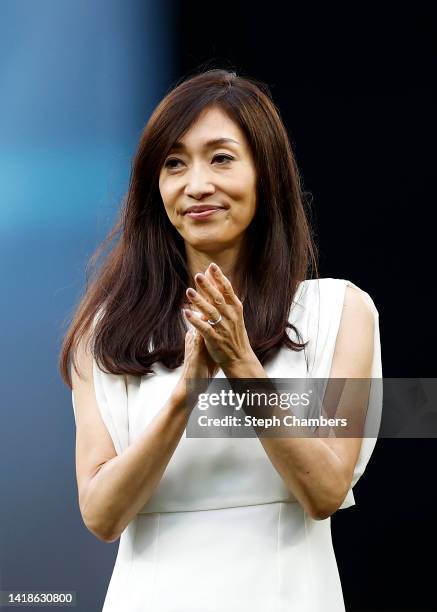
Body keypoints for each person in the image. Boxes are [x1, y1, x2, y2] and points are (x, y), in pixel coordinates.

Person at [60, 68, 382, 611]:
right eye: (174, 163)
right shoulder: (106, 334)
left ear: (266, 174)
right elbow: (101, 514)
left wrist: (242, 366)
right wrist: (187, 391)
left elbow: (326, 491)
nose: (197, 184)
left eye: (222, 157)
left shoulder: (340, 311)